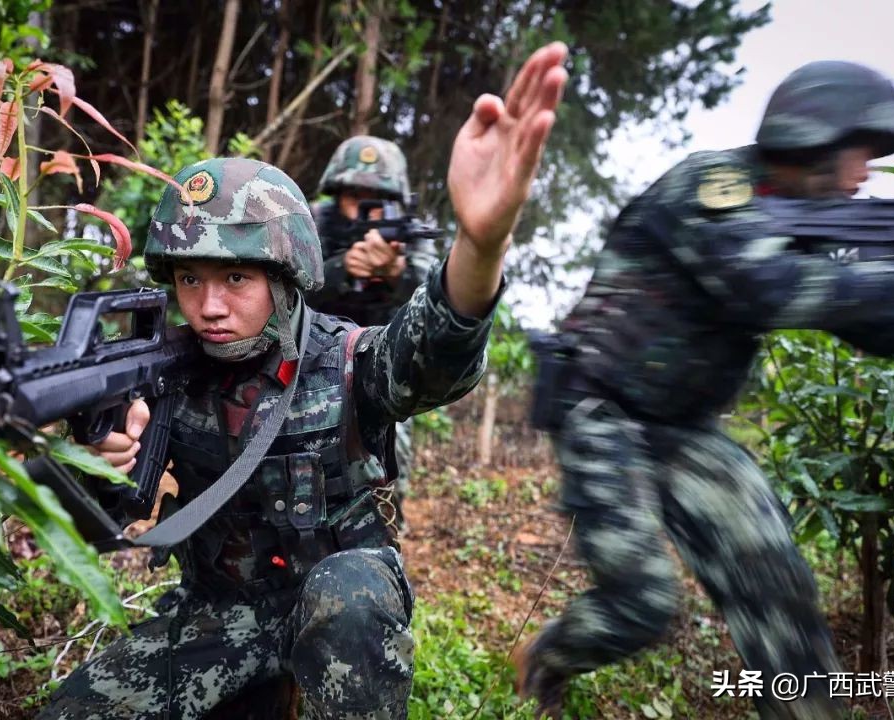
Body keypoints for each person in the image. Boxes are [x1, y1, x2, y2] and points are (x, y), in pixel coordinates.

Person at [37, 41, 569, 720]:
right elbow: (93, 527)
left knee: (348, 599)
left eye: (235, 277)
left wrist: (482, 245)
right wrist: (97, 461)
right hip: (220, 612)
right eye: (189, 279)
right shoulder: (167, 371)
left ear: (284, 281)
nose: (209, 305)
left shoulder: (345, 359)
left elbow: (429, 355)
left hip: (340, 597)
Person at [517, 60, 894, 720]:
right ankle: (549, 655)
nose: (864, 178)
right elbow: (762, 288)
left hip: (686, 430)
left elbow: (878, 331)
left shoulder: (810, 224)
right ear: (812, 138)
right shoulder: (715, 185)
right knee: (641, 604)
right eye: (859, 155)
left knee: (779, 587)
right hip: (600, 411)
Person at [305, 135, 441, 534]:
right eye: (354, 194)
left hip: (383, 368)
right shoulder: (312, 223)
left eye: (376, 195)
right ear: (337, 192)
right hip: (309, 363)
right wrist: (341, 268)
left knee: (386, 469)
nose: (365, 205)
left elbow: (438, 300)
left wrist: (397, 274)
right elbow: (281, 286)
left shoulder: (405, 237)